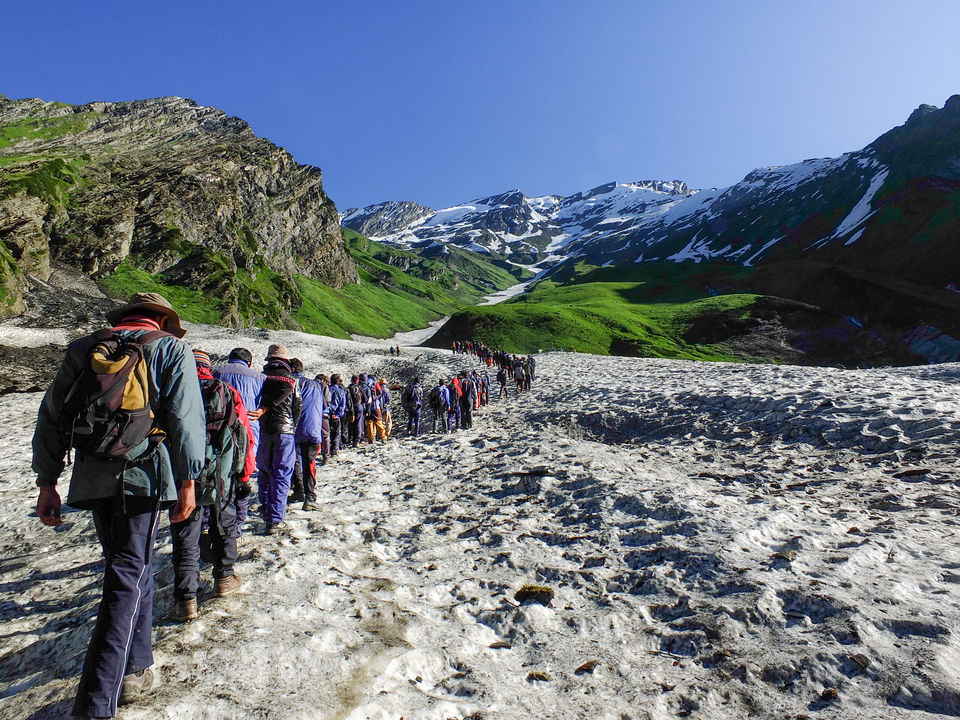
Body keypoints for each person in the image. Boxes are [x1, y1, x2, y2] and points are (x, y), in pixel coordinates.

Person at [32, 291, 206, 719]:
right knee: (127, 575)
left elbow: (52, 414)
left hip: (92, 475)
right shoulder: (169, 348)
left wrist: (47, 482)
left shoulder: (86, 348)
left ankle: (137, 666)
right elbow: (185, 418)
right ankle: (95, 704)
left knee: (129, 565)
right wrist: (189, 482)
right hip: (144, 475)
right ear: (162, 320)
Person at [170, 349, 255, 623]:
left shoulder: (174, 390)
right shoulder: (227, 392)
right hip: (221, 473)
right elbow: (244, 435)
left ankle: (186, 600)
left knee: (186, 533)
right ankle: (224, 578)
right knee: (224, 524)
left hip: (184, 475)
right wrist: (244, 475)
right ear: (209, 368)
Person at [212, 348, 264, 535]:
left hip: (218, 429)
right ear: (249, 362)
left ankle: (214, 523)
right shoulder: (259, 377)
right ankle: (236, 527)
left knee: (218, 475)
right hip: (249, 431)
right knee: (243, 477)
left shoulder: (216, 371)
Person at [251, 344, 301, 535]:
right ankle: (275, 519)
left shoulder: (261, 378)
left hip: (265, 430)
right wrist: (292, 428)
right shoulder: (291, 380)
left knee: (264, 472)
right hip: (285, 431)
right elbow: (297, 407)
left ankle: (265, 508)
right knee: (281, 473)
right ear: (286, 361)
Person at [289, 359, 323, 511]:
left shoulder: (289, 382)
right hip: (312, 427)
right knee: (309, 462)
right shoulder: (315, 384)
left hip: (292, 428)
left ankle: (298, 490)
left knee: (293, 460)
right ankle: (309, 496)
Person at [327, 374, 347, 459]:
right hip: (336, 415)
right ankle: (334, 451)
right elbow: (343, 405)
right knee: (336, 434)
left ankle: (326, 451)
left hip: (327, 414)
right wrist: (338, 414)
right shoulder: (341, 391)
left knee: (327, 434)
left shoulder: (327, 390)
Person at [346, 375, 365, 447]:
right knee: (358, 423)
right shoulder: (359, 388)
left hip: (349, 407)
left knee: (350, 423)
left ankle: (349, 438)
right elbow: (365, 399)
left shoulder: (348, 388)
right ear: (357, 381)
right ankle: (356, 440)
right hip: (358, 406)